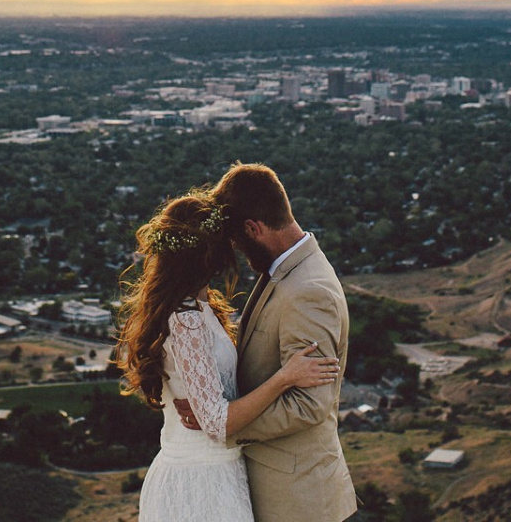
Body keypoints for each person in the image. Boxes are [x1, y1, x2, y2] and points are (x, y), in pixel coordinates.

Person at [118, 193, 340, 522]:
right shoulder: (186, 321)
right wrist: (285, 378)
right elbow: (217, 423)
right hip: (201, 485)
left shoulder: (197, 310)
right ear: (209, 255)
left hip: (216, 473)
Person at [204, 162, 358, 522]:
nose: (240, 252)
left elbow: (308, 405)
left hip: (297, 499)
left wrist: (224, 425)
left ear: (253, 228)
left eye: (239, 242)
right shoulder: (285, 270)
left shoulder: (307, 291)